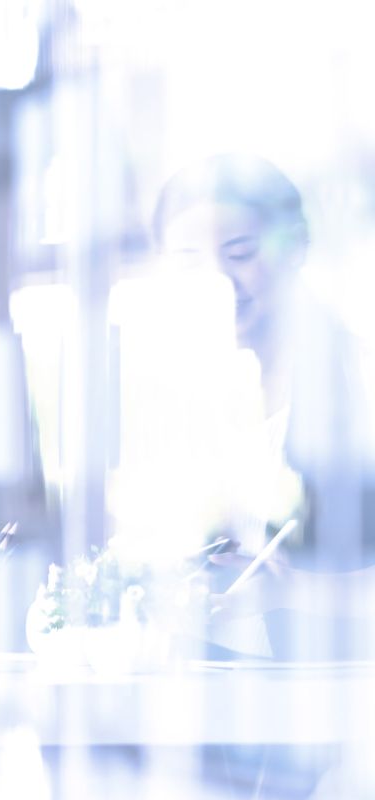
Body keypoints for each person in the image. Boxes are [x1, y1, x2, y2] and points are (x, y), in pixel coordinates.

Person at [153, 153, 375, 660]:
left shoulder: (358, 378)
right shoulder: (212, 402)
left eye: (240, 252)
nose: (218, 278)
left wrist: (292, 591)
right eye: (189, 260)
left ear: (295, 247)